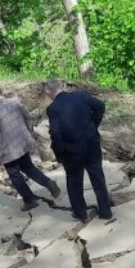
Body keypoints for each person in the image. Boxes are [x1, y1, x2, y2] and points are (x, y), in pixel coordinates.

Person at [44, 78, 113, 221]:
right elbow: (100, 106)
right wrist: (94, 125)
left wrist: (59, 152)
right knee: (97, 177)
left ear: (49, 92)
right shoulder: (81, 96)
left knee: (74, 180)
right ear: (61, 87)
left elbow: (56, 133)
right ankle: (105, 211)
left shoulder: (53, 109)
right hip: (91, 143)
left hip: (72, 149)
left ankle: (80, 213)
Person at [0, 83, 61, 211]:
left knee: (14, 175)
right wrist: (28, 132)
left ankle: (29, 200)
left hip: (8, 151)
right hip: (23, 143)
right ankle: (48, 183)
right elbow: (27, 117)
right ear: (0, 91)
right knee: (28, 167)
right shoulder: (15, 102)